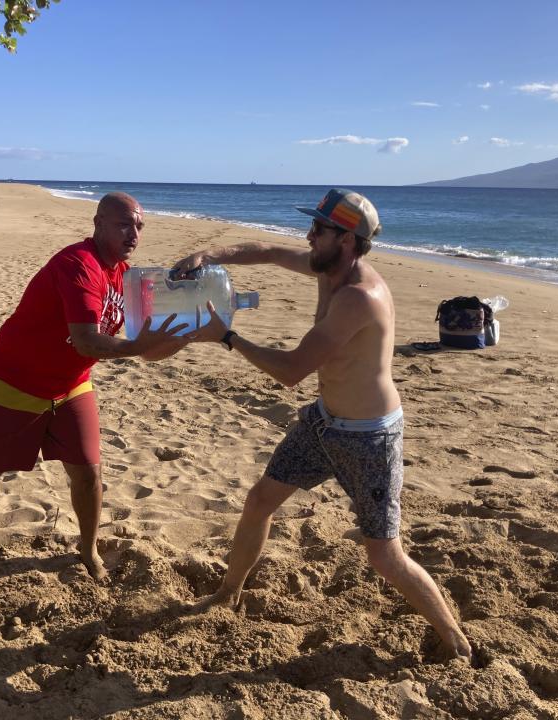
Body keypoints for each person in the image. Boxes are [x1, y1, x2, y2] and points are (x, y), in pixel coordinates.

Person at [171, 188, 472, 661]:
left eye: (318, 229)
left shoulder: (358, 296)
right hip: (324, 421)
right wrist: (208, 253)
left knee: (384, 555)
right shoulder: (327, 267)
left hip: (369, 437)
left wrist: (226, 337)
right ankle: (228, 594)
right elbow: (267, 251)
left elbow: (291, 372)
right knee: (260, 501)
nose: (308, 236)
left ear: (347, 240)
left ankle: (455, 640)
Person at [0, 192, 188, 584]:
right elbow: (87, 341)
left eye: (139, 226)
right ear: (97, 224)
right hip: (13, 382)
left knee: (88, 473)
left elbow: (144, 349)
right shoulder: (78, 265)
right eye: (123, 225)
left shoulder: (125, 275)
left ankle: (88, 549)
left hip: (71, 386)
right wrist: (139, 345)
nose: (133, 233)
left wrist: (184, 334)